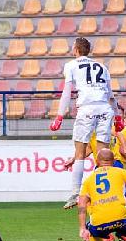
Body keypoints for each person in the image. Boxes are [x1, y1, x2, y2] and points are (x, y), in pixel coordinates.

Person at [51, 36, 120, 209]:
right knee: (103, 154)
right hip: (105, 109)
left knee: (80, 153)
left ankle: (76, 193)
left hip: (87, 109)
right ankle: (106, 192)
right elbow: (111, 95)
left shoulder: (71, 65)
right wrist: (118, 117)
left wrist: (59, 116)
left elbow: (67, 92)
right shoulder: (102, 67)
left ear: (76, 49)